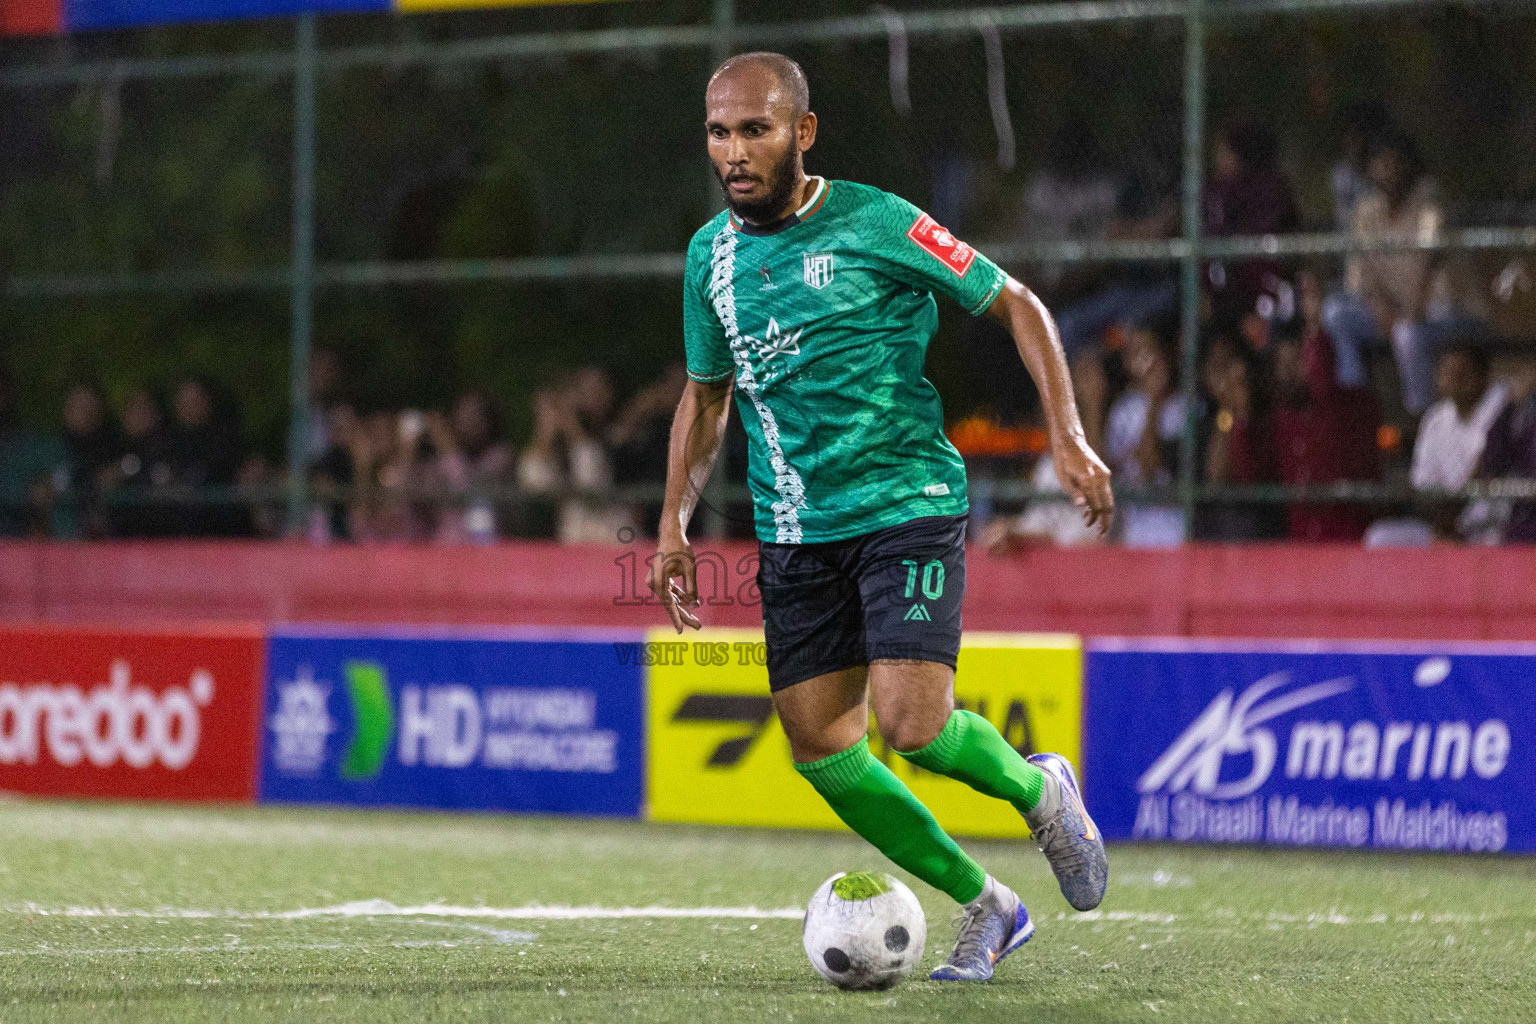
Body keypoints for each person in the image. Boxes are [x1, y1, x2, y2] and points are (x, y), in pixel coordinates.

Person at [648, 53, 1113, 982]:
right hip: (795, 529)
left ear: (802, 133)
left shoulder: (878, 221)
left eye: (755, 130)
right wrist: (673, 523)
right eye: (718, 132)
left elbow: (1017, 302)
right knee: (821, 744)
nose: (733, 153)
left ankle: (1038, 790)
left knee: (910, 723)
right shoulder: (713, 257)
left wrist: (1064, 434)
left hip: (906, 504)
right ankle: (990, 905)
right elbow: (707, 400)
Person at [1322, 130, 1481, 416]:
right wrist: (1379, 306)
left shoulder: (1430, 200)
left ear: (1409, 165)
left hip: (1448, 314)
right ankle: (1353, 403)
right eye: (1381, 163)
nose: (1389, 171)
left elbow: (1428, 263)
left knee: (1408, 334)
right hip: (1396, 316)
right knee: (1336, 313)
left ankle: (1420, 421)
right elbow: (1362, 278)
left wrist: (1405, 314)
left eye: (1396, 163)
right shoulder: (1366, 211)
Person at [1103, 325, 1190, 547]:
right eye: (1137, 353)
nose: (1147, 361)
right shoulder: (1122, 411)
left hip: (1176, 535)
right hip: (1135, 536)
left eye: (1151, 351)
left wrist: (1154, 401)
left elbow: (1150, 468)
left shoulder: (1186, 408)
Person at [1409, 345, 1508, 539]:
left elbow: (1483, 470)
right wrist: (1442, 524)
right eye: (1447, 371)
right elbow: (1422, 485)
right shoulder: (1435, 419)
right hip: (1446, 526)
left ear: (1483, 375)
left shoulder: (1504, 407)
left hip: (1497, 527)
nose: (1454, 379)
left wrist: (1450, 523)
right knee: (1380, 536)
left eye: (1462, 371)